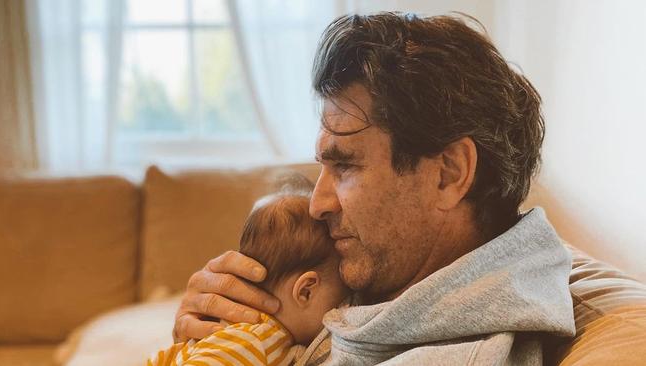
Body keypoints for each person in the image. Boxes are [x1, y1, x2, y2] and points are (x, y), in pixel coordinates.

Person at [172, 12, 575, 365]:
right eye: (324, 168)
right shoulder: (390, 273)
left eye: (345, 165)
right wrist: (207, 336)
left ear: (449, 173)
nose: (317, 204)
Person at [150, 191, 350, 365]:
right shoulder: (255, 341)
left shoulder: (253, 339)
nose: (345, 307)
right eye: (341, 299)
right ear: (306, 291)